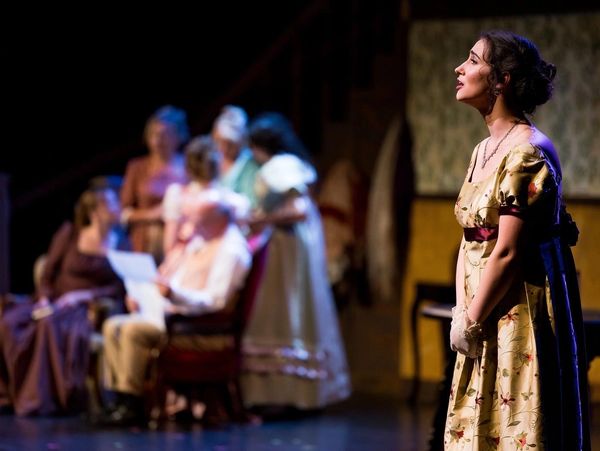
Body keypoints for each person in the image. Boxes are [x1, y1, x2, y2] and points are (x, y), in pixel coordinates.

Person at [446, 30, 590, 449]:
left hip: (513, 309)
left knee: (513, 425)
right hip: (479, 308)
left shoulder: (527, 152)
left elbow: (507, 251)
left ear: (502, 79)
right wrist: (463, 312)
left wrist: (472, 319)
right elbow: (471, 238)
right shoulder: (482, 150)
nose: (460, 68)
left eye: (473, 61)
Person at [100, 194, 252, 426]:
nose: (191, 225)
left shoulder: (231, 251)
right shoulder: (198, 243)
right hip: (174, 316)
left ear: (218, 220)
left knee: (132, 331)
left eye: (198, 219)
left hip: (197, 327)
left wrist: (173, 295)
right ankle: (119, 399)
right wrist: (146, 296)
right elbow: (172, 280)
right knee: (112, 325)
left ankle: (133, 401)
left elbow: (216, 300)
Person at [241, 112, 351, 413]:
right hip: (290, 245)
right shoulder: (291, 164)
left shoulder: (280, 166)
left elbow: (299, 209)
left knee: (284, 310)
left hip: (285, 247)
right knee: (293, 309)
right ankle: (291, 391)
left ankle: (282, 393)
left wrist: (261, 219)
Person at [0, 185, 129, 416]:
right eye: (110, 204)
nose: (116, 208)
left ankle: (43, 398)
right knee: (10, 322)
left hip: (84, 309)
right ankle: (10, 394)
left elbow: (120, 286)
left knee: (50, 326)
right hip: (55, 301)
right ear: (95, 211)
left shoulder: (121, 242)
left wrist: (84, 295)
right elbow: (47, 273)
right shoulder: (70, 234)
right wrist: (43, 299)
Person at [120, 105, 190, 262]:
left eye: (165, 135)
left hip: (179, 244)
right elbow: (123, 213)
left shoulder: (188, 167)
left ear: (178, 136)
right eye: (154, 135)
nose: (158, 140)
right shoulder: (137, 167)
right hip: (144, 244)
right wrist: (153, 214)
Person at [162, 134, 250, 254]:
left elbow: (170, 245)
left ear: (188, 168)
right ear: (219, 164)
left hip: (196, 264)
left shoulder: (178, 195)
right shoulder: (234, 201)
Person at [212, 105, 260, 208]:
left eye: (230, 144)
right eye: (220, 141)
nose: (224, 148)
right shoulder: (213, 159)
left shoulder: (250, 165)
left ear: (242, 141)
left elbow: (251, 205)